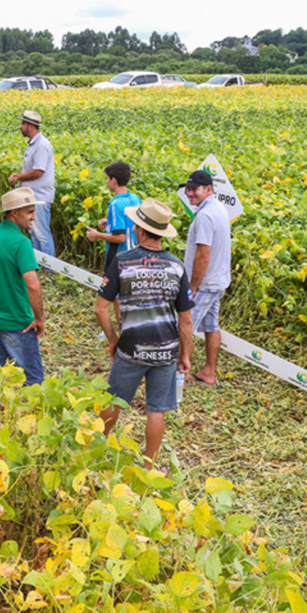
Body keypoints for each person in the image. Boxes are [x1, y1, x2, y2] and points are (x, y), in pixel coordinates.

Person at [96, 199, 194, 470]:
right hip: (166, 349)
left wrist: (114, 340)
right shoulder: (176, 267)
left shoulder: (123, 261)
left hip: (131, 347)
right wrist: (185, 354)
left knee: (113, 400)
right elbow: (186, 319)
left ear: (139, 229)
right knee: (156, 409)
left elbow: (101, 309)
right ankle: (148, 466)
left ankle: (98, 449)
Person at [0, 188, 46, 385]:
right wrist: (39, 318)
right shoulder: (21, 243)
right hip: (18, 323)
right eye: (29, 212)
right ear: (14, 213)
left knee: (0, 377)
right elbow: (33, 285)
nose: (33, 217)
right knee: (31, 380)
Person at [182, 169, 232, 387]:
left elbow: (203, 254)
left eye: (195, 189)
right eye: (188, 189)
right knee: (211, 326)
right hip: (218, 280)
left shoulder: (204, 216)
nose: (190, 194)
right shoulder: (219, 207)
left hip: (205, 283)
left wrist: (192, 286)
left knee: (185, 327)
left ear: (208, 189)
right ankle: (208, 372)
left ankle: (178, 377)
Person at [8, 110, 56, 257]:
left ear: (30, 125)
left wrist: (19, 177)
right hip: (33, 197)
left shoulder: (41, 145)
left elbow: (38, 171)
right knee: (34, 234)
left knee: (42, 234)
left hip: (40, 197)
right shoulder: (33, 144)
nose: (21, 127)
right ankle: (40, 266)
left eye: (23, 124)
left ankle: (50, 270)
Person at [86, 161, 142, 272]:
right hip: (136, 258)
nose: (106, 182)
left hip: (119, 261)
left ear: (114, 180)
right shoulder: (135, 199)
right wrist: (110, 223)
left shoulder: (116, 204)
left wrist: (97, 235)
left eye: (107, 179)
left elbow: (120, 237)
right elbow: (132, 223)